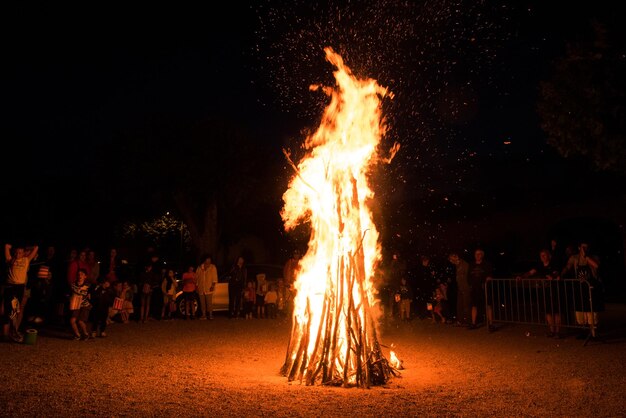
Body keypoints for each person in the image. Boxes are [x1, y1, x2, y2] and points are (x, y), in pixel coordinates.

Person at [561, 242, 604, 339]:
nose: (585, 249)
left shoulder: (593, 257)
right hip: (580, 288)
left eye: (586, 247)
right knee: (580, 310)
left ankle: (593, 333)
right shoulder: (574, 258)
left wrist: (587, 257)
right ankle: (583, 331)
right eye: (583, 247)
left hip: (591, 287)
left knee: (592, 310)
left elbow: (596, 266)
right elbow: (568, 267)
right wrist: (561, 275)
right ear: (579, 247)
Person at [519, 249, 562, 338]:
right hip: (544, 291)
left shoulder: (553, 264)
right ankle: (552, 331)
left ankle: (558, 332)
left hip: (555, 291)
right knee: (548, 311)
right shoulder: (539, 266)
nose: (542, 257)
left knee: (557, 312)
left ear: (548, 256)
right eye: (541, 255)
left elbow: (556, 273)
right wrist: (522, 276)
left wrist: (553, 277)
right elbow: (531, 272)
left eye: (544, 255)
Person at [4, 243, 39, 339]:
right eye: (16, 252)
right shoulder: (11, 260)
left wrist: (26, 248)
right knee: (10, 310)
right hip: (11, 286)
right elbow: (6, 246)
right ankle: (8, 332)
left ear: (23, 253)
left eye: (20, 252)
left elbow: (36, 247)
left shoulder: (26, 260)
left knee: (16, 310)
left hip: (20, 287)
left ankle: (13, 332)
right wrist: (10, 247)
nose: (18, 254)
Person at [467, 248, 494, 331]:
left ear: (482, 255)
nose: (477, 256)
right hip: (475, 288)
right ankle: (473, 323)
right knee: (474, 305)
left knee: (488, 305)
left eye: (479, 254)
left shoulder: (486, 264)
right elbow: (468, 276)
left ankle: (491, 324)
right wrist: (470, 284)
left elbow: (490, 274)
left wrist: (489, 278)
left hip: (484, 288)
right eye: (476, 254)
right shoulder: (471, 265)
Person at [69, 268, 92, 340]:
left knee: (80, 321)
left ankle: (86, 334)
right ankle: (77, 335)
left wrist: (81, 292)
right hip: (76, 305)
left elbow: (84, 293)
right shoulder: (73, 284)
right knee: (72, 320)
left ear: (85, 276)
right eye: (78, 274)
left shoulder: (88, 285)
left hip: (84, 305)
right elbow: (76, 292)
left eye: (82, 274)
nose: (80, 276)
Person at [448, 252, 470, 326]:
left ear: (456, 256)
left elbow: (468, 276)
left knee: (466, 305)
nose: (451, 261)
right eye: (450, 260)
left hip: (466, 288)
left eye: (451, 259)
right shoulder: (457, 266)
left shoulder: (464, 265)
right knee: (459, 305)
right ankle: (460, 321)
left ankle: (468, 321)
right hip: (460, 288)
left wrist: (467, 287)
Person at [196, 255, 218, 320]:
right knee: (202, 302)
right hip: (201, 287)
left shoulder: (212, 267)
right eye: (207, 259)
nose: (209, 261)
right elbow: (197, 277)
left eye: (210, 260)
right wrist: (196, 286)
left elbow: (214, 277)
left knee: (209, 302)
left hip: (208, 287)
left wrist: (213, 285)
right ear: (204, 260)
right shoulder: (200, 267)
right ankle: (204, 315)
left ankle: (210, 315)